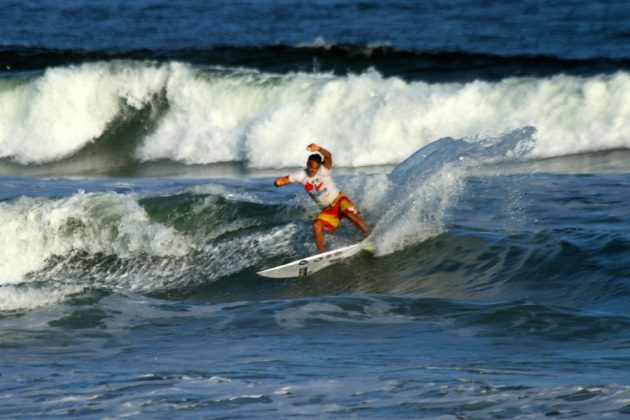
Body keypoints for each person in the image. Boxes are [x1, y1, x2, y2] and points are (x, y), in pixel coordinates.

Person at [274, 143, 370, 253]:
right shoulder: (300, 175)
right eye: (310, 167)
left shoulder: (324, 169)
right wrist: (278, 182)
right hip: (328, 209)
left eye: (315, 169)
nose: (312, 171)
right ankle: (321, 254)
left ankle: (369, 235)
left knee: (350, 214)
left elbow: (328, 156)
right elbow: (284, 180)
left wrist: (319, 149)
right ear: (307, 164)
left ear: (319, 166)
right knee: (317, 225)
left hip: (339, 200)